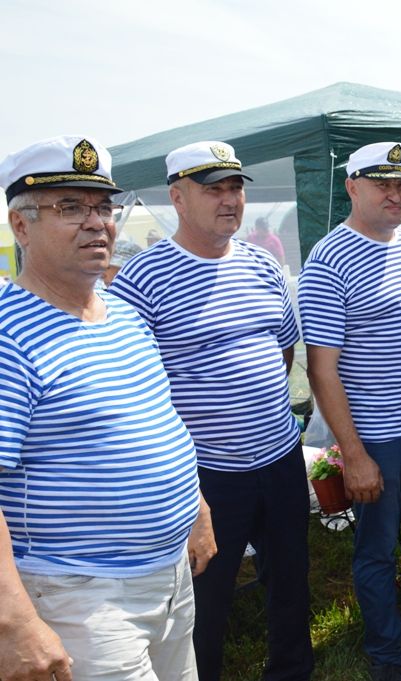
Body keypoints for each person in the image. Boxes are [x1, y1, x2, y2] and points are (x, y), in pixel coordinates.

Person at [0, 135, 212, 681]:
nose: (97, 223)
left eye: (102, 207)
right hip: (79, 595)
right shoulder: (8, 336)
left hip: (168, 579)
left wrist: (196, 509)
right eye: (69, 207)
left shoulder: (123, 314)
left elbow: (160, 423)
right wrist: (16, 624)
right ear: (20, 226)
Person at [108, 141, 312, 681]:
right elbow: (130, 385)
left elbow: (283, 348)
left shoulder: (264, 265)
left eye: (235, 187)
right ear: (176, 196)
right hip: (206, 474)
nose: (230, 200)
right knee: (205, 596)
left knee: (291, 576)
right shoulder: (142, 279)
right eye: (212, 189)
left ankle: (292, 670)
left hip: (280, 456)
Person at [298, 142, 401, 681]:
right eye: (381, 184)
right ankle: (387, 653)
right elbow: (322, 368)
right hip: (377, 440)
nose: (395, 195)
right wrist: (354, 453)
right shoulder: (328, 258)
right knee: (376, 551)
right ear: (352, 187)